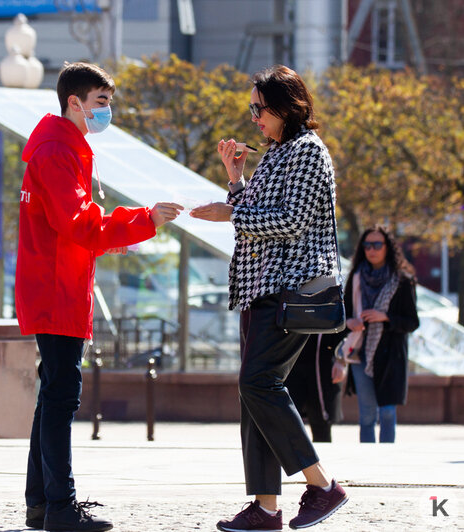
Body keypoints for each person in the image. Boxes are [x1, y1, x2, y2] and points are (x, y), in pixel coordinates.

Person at [15, 62, 182, 532]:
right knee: (62, 397)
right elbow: (82, 225)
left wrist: (134, 222)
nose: (107, 111)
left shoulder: (63, 148)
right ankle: (60, 508)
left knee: (53, 396)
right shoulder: (57, 152)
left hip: (57, 284)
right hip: (56, 287)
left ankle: (44, 504)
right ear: (75, 102)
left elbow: (80, 222)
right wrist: (145, 219)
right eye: (101, 102)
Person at [190, 65, 348, 531]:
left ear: (286, 106)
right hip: (263, 289)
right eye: (252, 108)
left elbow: (290, 220)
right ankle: (266, 508)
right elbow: (257, 210)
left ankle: (321, 485)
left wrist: (230, 215)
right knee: (254, 392)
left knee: (258, 384)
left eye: (260, 108)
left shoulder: (307, 152)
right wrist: (235, 179)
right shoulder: (279, 152)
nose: (254, 117)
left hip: (291, 289)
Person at [341, 226, 419, 443]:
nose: (371, 250)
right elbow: (343, 315)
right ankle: (368, 465)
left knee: (386, 412)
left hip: (390, 354)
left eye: (377, 245)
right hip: (359, 352)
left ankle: (386, 462)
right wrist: (350, 322)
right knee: (367, 415)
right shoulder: (355, 278)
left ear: (388, 248)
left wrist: (385, 317)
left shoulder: (402, 280)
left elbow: (412, 321)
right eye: (367, 245)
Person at [284, 332, 346, 442]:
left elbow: (343, 329)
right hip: (291, 364)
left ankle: (320, 457)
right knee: (288, 420)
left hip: (322, 364)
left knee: (321, 422)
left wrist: (340, 360)